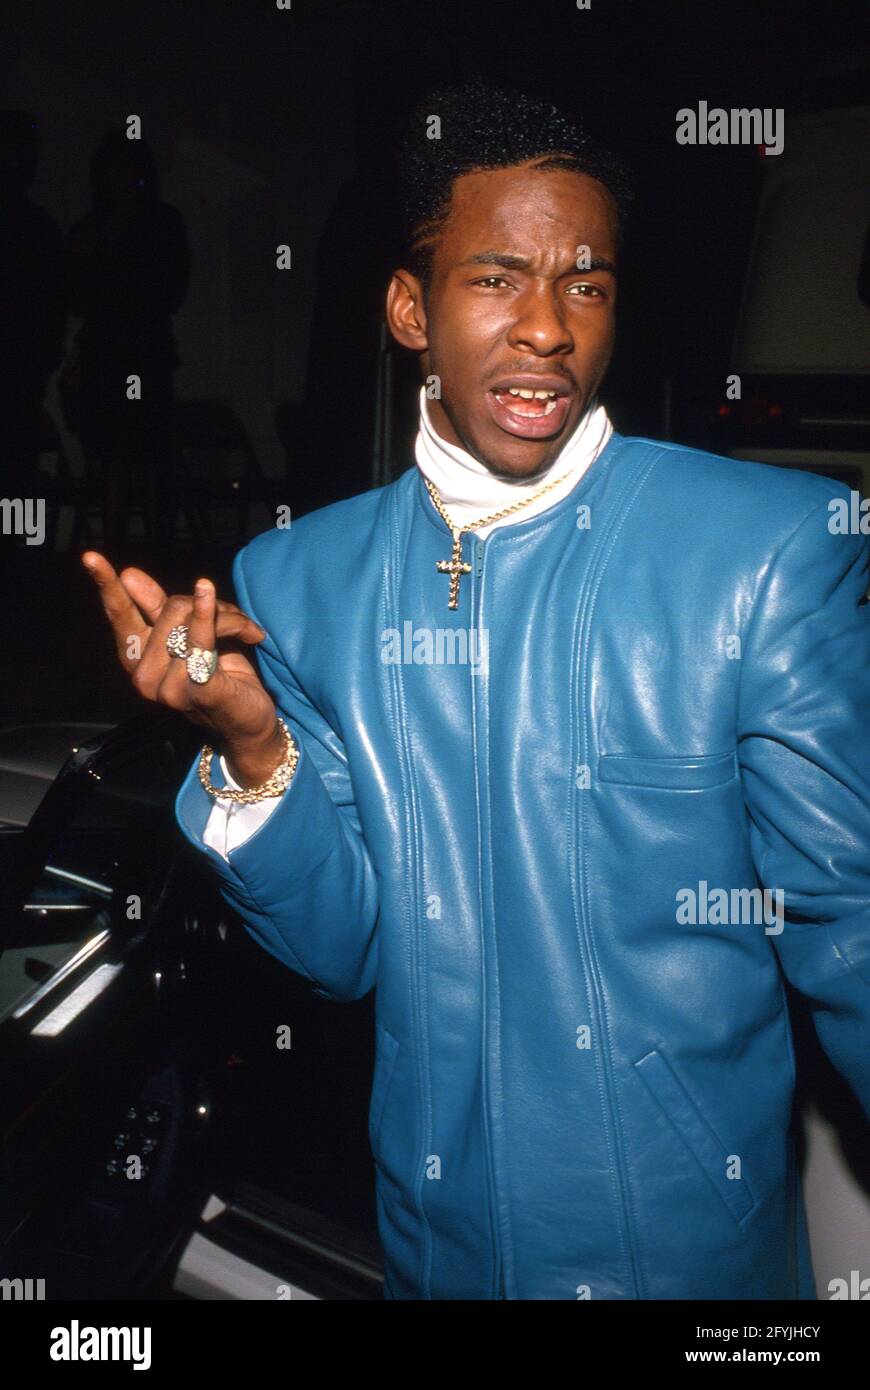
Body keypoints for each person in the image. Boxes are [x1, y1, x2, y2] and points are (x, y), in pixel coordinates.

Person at [82, 79, 870, 1301]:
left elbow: (853, 925)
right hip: (432, 1240)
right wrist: (250, 746)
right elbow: (343, 951)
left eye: (587, 283)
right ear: (411, 308)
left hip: (683, 1252)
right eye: (498, 276)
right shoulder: (299, 578)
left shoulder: (760, 551)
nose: (549, 327)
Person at [67, 130, 189, 556]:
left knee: (150, 456)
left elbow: (173, 290)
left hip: (144, 353)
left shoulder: (160, 224)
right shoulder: (93, 229)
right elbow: (75, 298)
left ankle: (155, 551)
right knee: (116, 455)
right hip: (109, 355)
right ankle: (114, 551)